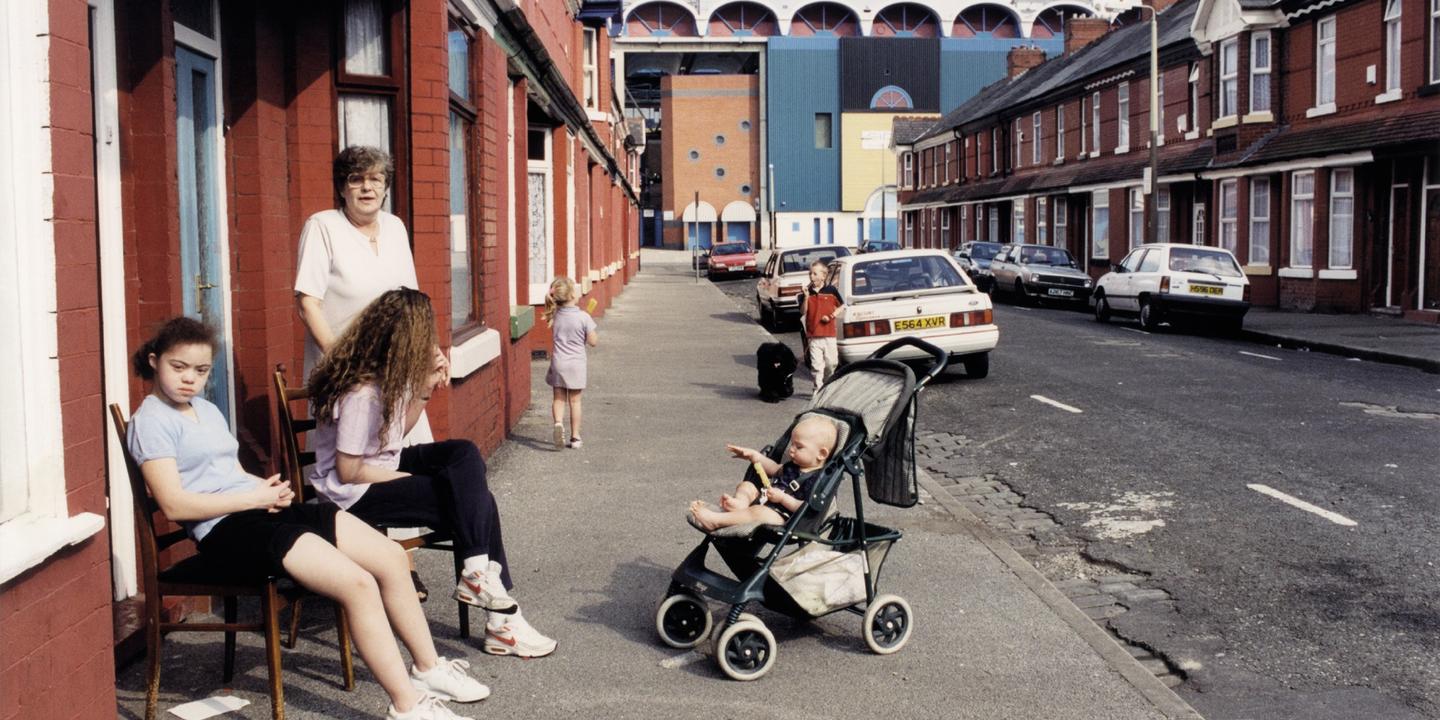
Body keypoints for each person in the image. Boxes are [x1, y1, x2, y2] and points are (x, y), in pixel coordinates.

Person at [125, 318, 484, 720]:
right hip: (226, 531)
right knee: (357, 583)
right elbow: (174, 505)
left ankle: (428, 669)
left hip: (257, 511)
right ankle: (407, 706)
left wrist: (267, 489)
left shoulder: (205, 410)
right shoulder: (150, 422)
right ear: (155, 362)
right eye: (179, 367)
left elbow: (227, 472)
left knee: (390, 556)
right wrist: (251, 498)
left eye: (202, 370)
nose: (190, 379)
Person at [306, 289, 557, 659]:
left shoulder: (383, 376)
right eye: (425, 334)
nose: (430, 342)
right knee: (476, 500)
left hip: (377, 468)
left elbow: (391, 440)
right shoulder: (361, 391)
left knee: (464, 454)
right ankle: (501, 622)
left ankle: (477, 575)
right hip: (351, 492)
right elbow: (349, 470)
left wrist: (424, 389)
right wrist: (417, 483)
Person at [294, 145, 442, 598]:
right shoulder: (323, 227)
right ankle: (356, 570)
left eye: (375, 179)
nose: (366, 187)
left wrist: (432, 350)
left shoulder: (395, 228)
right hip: (350, 378)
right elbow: (307, 302)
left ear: (385, 186)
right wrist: (343, 364)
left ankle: (402, 567)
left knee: (401, 456)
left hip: (397, 371)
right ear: (342, 186)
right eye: (356, 179)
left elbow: (412, 301)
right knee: (353, 467)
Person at [688, 417, 839, 531]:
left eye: (799, 447)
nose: (791, 450)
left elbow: (805, 507)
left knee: (758, 513)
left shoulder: (817, 479)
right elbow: (773, 468)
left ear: (821, 454)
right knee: (746, 486)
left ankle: (716, 520)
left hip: (781, 516)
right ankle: (741, 505)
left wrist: (782, 498)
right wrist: (754, 456)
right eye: (792, 444)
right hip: (765, 500)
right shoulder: (792, 466)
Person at [541, 276, 598, 449]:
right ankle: (575, 437)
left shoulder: (555, 315)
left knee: (558, 398)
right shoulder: (583, 317)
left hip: (559, 362)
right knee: (575, 401)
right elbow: (593, 342)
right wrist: (591, 327)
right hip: (576, 365)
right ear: (572, 295)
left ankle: (558, 423)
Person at [799, 261, 844, 396]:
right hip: (814, 335)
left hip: (829, 334)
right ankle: (818, 389)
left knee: (831, 363)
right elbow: (802, 312)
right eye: (810, 273)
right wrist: (806, 297)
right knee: (817, 365)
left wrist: (831, 316)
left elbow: (842, 306)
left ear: (823, 276)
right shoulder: (807, 292)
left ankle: (827, 384)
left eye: (814, 273)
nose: (811, 276)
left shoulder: (831, 291)